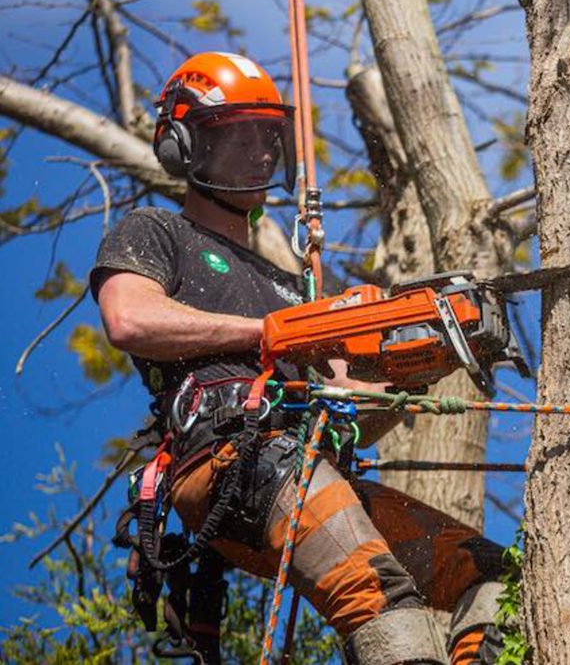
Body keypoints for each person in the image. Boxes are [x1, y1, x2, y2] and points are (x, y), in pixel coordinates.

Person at [90, 51, 506, 665]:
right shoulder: (155, 232)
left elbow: (348, 408)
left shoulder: (294, 286)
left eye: (268, 136)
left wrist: (417, 369)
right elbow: (128, 319)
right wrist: (269, 332)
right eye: (239, 135)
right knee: (381, 596)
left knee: (493, 578)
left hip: (312, 468)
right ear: (184, 144)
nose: (260, 152)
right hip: (233, 459)